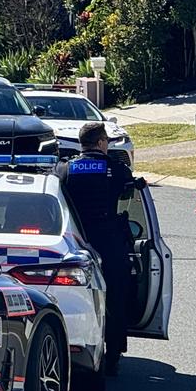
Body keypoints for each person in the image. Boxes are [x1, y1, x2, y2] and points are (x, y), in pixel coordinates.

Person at [54, 122, 140, 376]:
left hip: (75, 241)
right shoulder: (116, 168)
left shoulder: (65, 169)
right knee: (115, 296)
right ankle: (112, 353)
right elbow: (129, 189)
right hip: (109, 243)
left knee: (77, 297)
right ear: (101, 142)